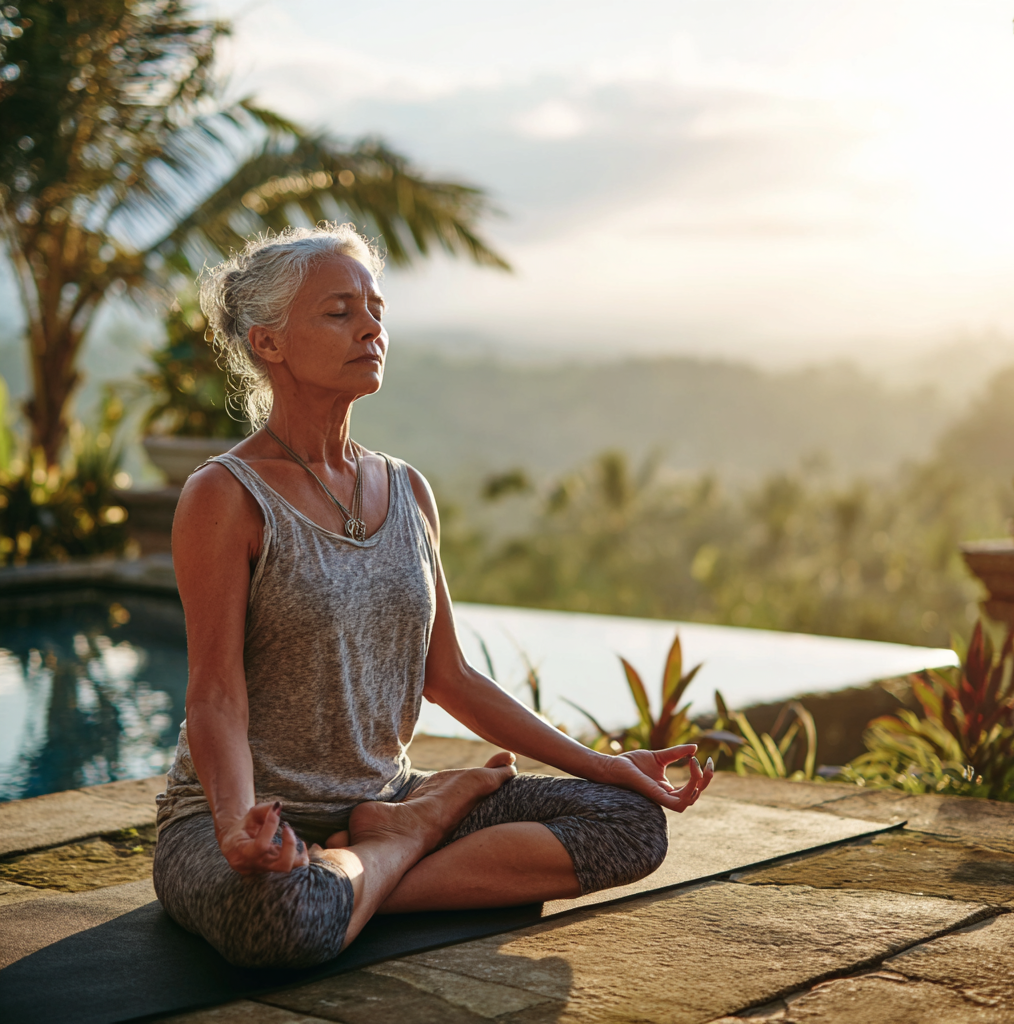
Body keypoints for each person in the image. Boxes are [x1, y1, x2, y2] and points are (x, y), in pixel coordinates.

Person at [152, 223, 714, 969]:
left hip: (384, 792)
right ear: (268, 343)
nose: (371, 326)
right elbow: (216, 694)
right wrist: (234, 827)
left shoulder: (407, 489)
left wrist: (606, 764)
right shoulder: (225, 495)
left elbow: (448, 677)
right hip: (247, 819)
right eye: (339, 310)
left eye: (376, 308)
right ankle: (405, 840)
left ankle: (373, 860)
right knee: (282, 919)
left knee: (629, 824)